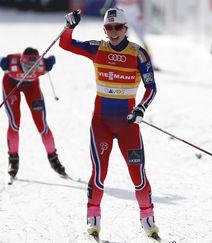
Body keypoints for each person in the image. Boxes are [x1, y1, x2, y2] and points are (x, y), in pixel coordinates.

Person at [60, 8, 160, 240]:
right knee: (98, 173)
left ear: (126, 28)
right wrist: (69, 27)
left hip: (128, 124)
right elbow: (66, 45)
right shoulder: (98, 48)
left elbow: (151, 88)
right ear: (104, 29)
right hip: (101, 123)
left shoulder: (138, 54)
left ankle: (149, 221)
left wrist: (141, 108)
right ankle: (93, 220)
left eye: (118, 27)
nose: (113, 32)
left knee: (138, 175)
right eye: (109, 28)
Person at [0, 48, 67, 180]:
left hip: (32, 88)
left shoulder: (45, 65)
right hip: (11, 86)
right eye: (26, 66)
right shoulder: (8, 62)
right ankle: (13, 159)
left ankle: (53, 158)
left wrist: (49, 60)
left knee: (42, 125)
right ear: (20, 61)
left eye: (33, 67)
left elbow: (52, 59)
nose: (29, 70)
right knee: (14, 123)